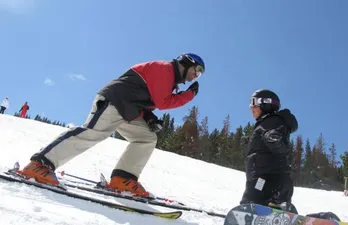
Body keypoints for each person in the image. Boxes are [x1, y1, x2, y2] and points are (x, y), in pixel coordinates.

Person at [19, 53, 205, 197]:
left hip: (128, 110)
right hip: (114, 102)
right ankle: (39, 164)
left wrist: (148, 116)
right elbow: (164, 102)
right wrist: (190, 95)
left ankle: (123, 178)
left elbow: (144, 97)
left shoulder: (170, 79)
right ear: (186, 62)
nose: (195, 76)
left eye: (199, 75)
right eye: (197, 70)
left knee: (146, 138)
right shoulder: (165, 69)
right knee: (92, 133)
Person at [240, 89, 299, 213]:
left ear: (265, 104)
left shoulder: (273, 121)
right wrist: (252, 141)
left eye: (254, 103)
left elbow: (275, 137)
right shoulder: (267, 123)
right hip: (267, 178)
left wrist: (273, 138)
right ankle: (277, 212)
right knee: (254, 203)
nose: (251, 107)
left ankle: (278, 210)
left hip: (269, 178)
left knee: (251, 203)